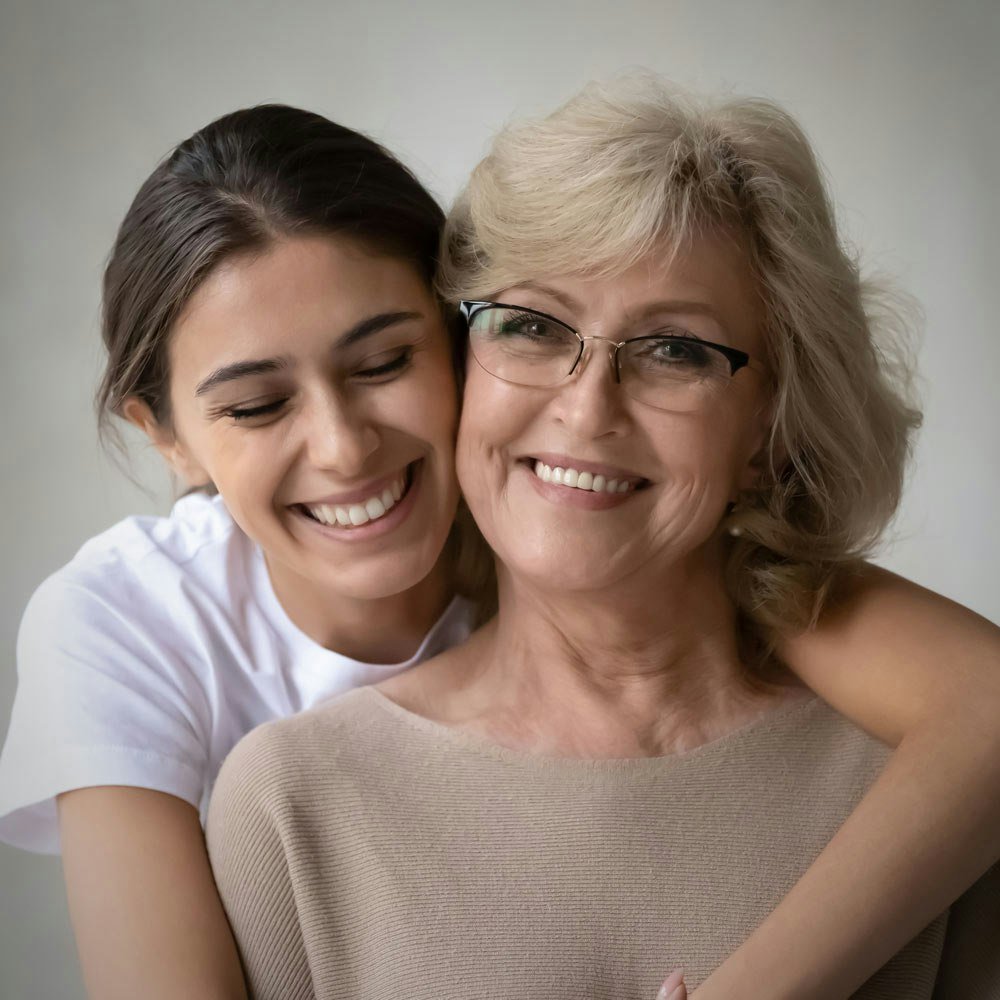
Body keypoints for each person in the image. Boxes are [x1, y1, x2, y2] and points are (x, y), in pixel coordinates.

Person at [0, 100, 996, 1000]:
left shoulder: (917, 790)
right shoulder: (261, 770)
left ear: (771, 428)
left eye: (676, 349)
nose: (582, 408)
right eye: (530, 327)